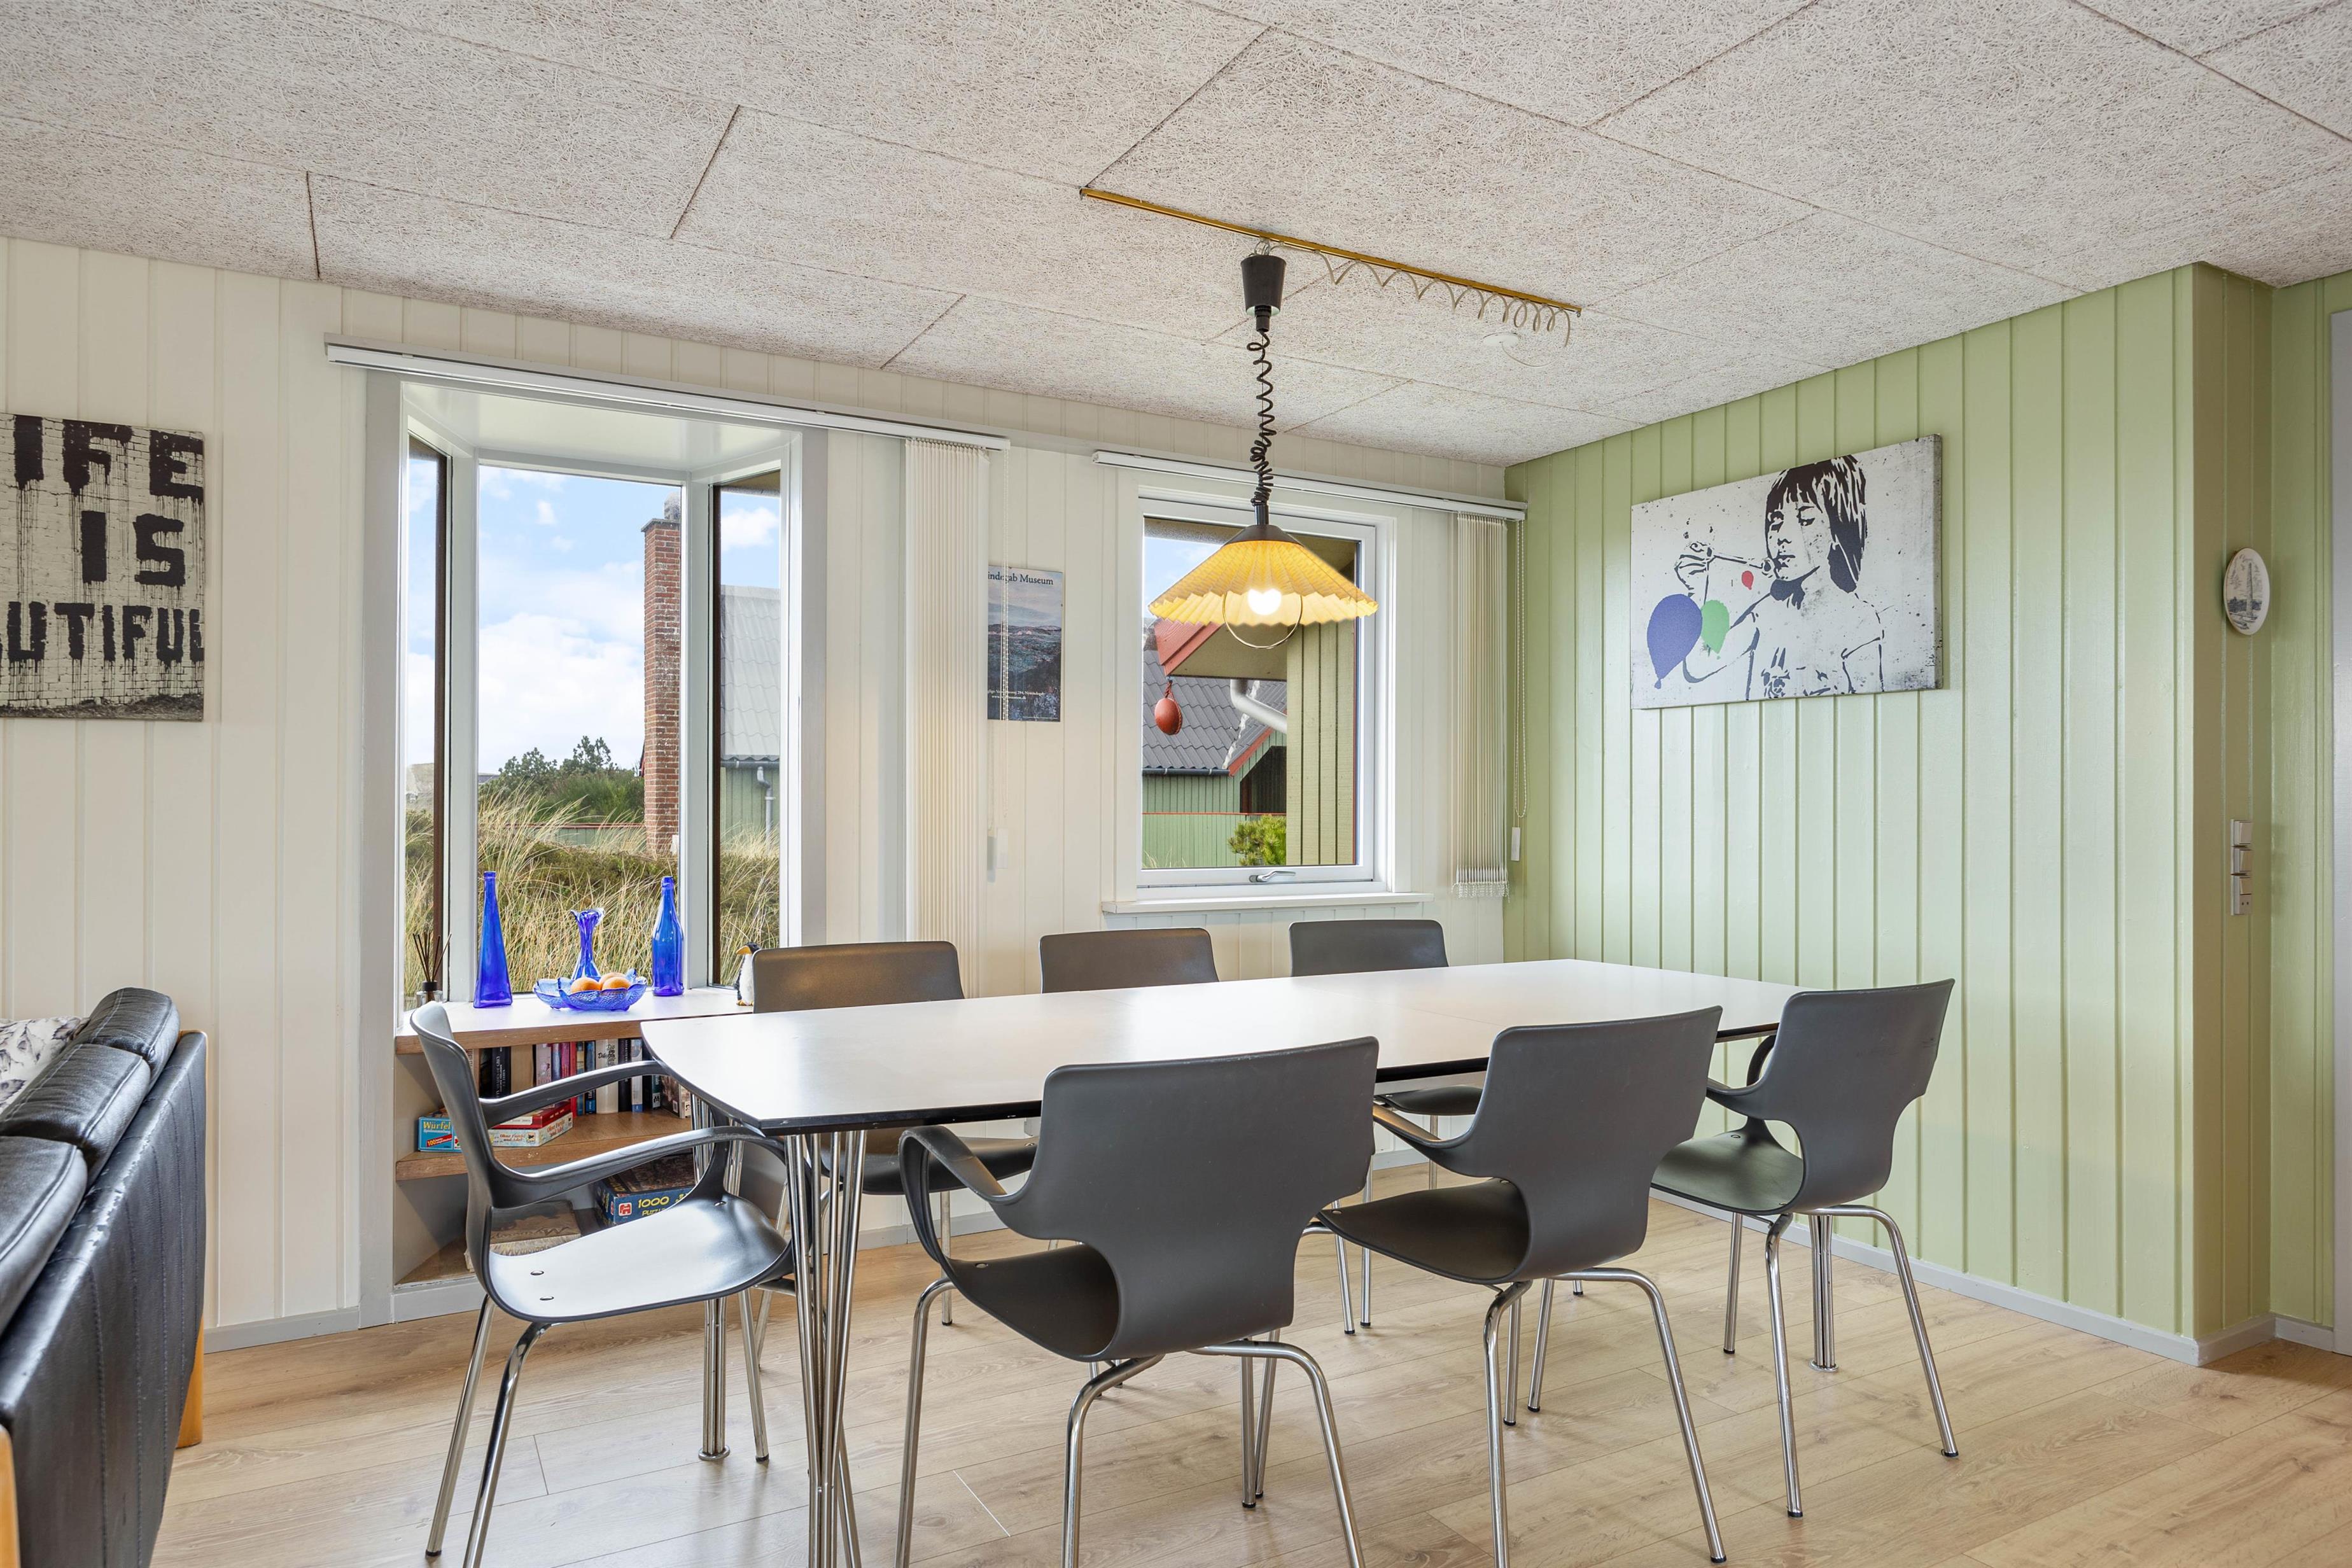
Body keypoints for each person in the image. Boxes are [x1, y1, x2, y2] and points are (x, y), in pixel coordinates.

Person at [1670, 456, 1884, 699]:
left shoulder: (1858, 620)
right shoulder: (1765, 613)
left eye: (1805, 520)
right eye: (1776, 522)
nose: (1782, 536)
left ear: (1838, 530)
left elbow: (1870, 702)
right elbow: (1698, 665)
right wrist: (1698, 590)